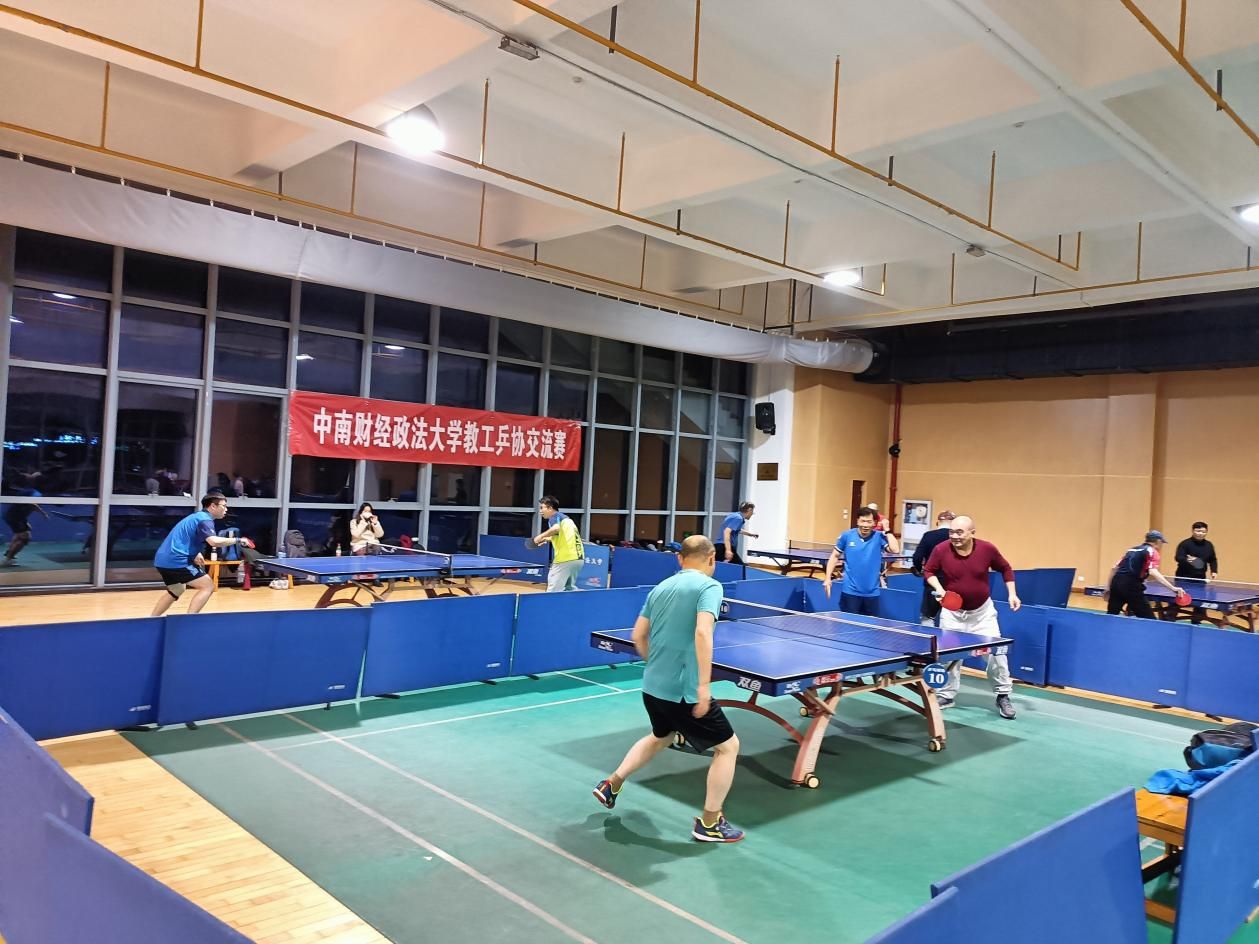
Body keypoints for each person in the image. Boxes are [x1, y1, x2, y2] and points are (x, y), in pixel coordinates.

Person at [592, 536, 744, 842]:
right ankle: (710, 823)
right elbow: (703, 632)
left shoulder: (660, 587)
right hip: (684, 690)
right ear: (712, 559)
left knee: (661, 736)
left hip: (653, 685)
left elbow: (638, 636)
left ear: (679, 558)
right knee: (728, 747)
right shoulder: (710, 587)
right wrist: (703, 686)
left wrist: (657, 664)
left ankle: (612, 784)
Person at [923, 515, 1021, 719]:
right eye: (952, 532)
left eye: (960, 532)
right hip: (953, 614)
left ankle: (1003, 695)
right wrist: (940, 589)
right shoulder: (941, 549)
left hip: (982, 614)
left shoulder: (987, 549)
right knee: (949, 655)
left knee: (997, 655)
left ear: (972, 533)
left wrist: (1012, 593)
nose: (955, 536)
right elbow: (929, 571)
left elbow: (1005, 568)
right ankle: (946, 695)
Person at [150, 494, 254, 616]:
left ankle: (152, 619)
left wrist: (196, 552)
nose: (226, 509)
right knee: (207, 586)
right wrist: (239, 540)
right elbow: (213, 541)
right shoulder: (205, 520)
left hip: (162, 560)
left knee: (176, 589)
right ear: (213, 506)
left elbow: (187, 537)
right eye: (224, 506)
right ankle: (190, 620)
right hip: (177, 560)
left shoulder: (196, 517)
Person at [823, 506, 901, 615]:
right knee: (848, 624)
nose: (865, 525)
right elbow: (834, 556)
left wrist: (887, 530)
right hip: (850, 591)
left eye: (869, 522)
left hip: (872, 593)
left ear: (874, 523)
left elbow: (895, 550)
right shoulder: (847, 536)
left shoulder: (879, 537)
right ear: (857, 521)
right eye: (862, 521)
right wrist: (827, 578)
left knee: (869, 625)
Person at [1107, 530, 1181, 620]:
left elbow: (1114, 568)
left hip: (1116, 584)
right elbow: (1153, 572)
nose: (1161, 545)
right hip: (1132, 586)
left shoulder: (1132, 550)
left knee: (1110, 616)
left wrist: (1108, 588)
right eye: (1162, 542)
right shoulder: (1152, 551)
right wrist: (1173, 588)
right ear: (1158, 541)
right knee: (1149, 620)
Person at [911, 509, 956, 625]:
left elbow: (917, 557)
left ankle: (927, 636)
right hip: (953, 582)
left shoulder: (928, 536)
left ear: (937, 523)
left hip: (932, 581)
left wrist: (920, 570)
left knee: (928, 616)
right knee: (952, 617)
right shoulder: (958, 538)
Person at [531, 496, 585, 591]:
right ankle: (588, 599)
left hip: (564, 559)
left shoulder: (554, 517)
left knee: (553, 591)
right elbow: (562, 535)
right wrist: (546, 539)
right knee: (569, 589)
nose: (540, 511)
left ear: (550, 508)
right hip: (578, 559)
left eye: (542, 508)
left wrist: (540, 536)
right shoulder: (566, 519)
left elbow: (556, 529)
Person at [1171, 522, 1218, 624]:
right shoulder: (1185, 544)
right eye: (1198, 531)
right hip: (1183, 577)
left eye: (1203, 532)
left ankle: (1196, 622)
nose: (1201, 533)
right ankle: (1169, 619)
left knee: (1200, 602)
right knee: (1179, 600)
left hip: (1200, 578)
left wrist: (1214, 571)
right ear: (1193, 531)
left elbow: (1213, 559)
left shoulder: (1209, 545)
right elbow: (1178, 557)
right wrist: (1191, 561)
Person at [2, 488, 50, 567]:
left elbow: (34, 505)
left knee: (20, 534)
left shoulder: (30, 498)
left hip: (16, 517)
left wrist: (43, 513)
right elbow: (33, 505)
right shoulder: (28, 501)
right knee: (24, 538)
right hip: (15, 518)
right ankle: (8, 559)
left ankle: (9, 553)